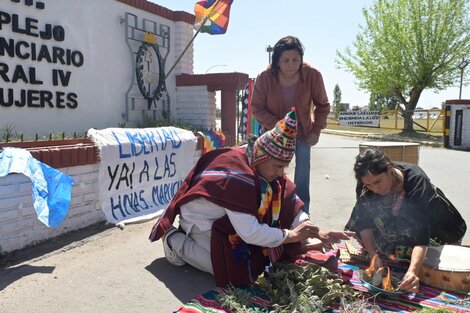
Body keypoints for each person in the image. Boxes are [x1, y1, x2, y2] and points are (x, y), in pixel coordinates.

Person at [149, 109, 354, 287]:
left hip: (230, 220)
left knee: (263, 255)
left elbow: (289, 203)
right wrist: (292, 236)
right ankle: (173, 240)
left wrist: (312, 228)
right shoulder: (237, 176)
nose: (281, 173)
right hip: (202, 223)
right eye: (278, 166)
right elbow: (249, 232)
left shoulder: (262, 164)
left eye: (284, 167)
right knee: (227, 269)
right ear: (263, 157)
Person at [345, 148, 467, 293]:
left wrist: (413, 272)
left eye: (378, 182)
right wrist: (373, 255)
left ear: (389, 169)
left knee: (434, 269)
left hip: (438, 229)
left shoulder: (415, 180)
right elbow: (364, 220)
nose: (375, 189)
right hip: (404, 227)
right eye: (369, 185)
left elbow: (421, 234)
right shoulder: (366, 184)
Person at [251, 35, 330, 214]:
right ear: (277, 61)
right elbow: (256, 107)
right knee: (271, 173)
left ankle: (302, 215)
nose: (291, 64)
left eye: (296, 59)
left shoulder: (312, 75)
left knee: (302, 177)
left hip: (302, 134)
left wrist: (316, 130)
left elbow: (323, 105)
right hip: (273, 134)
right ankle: (270, 211)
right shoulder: (264, 77)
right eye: (285, 60)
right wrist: (279, 126)